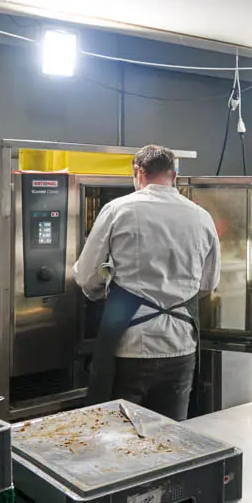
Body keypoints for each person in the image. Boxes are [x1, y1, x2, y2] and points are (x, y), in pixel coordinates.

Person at [74, 144, 220, 419]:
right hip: (180, 346)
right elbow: (207, 284)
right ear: (174, 175)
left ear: (138, 172)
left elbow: (86, 276)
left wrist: (102, 294)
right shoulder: (201, 216)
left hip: (130, 346)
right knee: (171, 433)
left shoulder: (118, 209)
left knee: (120, 433)